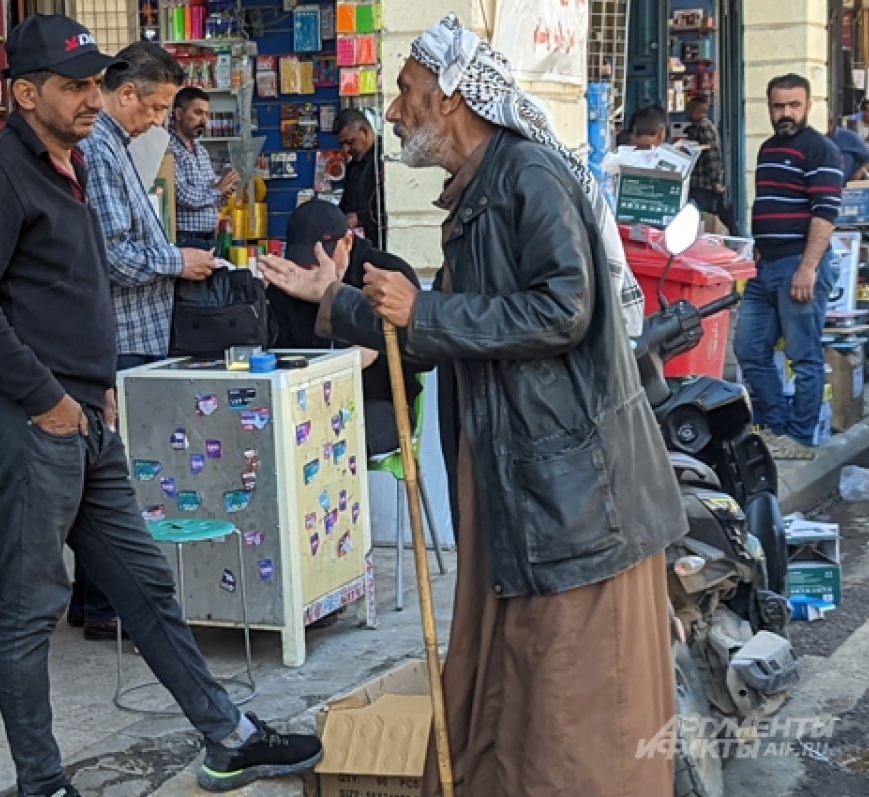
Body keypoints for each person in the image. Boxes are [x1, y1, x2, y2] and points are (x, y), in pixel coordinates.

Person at [260, 15, 685, 796]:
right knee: (509, 688)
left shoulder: (529, 178)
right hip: (522, 485)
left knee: (567, 706)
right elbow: (448, 329)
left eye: (406, 92)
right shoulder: (480, 193)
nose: (393, 111)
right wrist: (341, 301)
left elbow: (565, 308)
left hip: (574, 499)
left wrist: (421, 311)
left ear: (452, 98)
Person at [0, 16, 322, 796]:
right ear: (23, 92)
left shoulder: (69, 164)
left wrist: (97, 387)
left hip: (83, 413)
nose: (90, 98)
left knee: (144, 585)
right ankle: (41, 783)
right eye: (73, 85)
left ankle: (229, 734)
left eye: (92, 83)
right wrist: (47, 399)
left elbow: (67, 292)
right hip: (25, 418)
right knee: (30, 609)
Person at [74, 41, 217, 640]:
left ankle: (93, 598)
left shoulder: (117, 147)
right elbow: (111, 255)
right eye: (156, 108)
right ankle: (105, 604)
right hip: (122, 336)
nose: (159, 120)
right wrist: (175, 260)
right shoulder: (100, 149)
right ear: (125, 93)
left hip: (136, 331)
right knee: (116, 482)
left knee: (106, 476)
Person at [735, 74, 843, 460]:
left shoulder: (820, 149)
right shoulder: (767, 149)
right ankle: (777, 430)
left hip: (799, 267)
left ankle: (798, 440)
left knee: (804, 357)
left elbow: (825, 213)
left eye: (793, 105)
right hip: (766, 268)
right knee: (748, 349)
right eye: (778, 106)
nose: (785, 113)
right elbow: (769, 201)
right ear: (769, 106)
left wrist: (808, 267)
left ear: (807, 105)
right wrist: (761, 248)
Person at [266, 199, 427, 457]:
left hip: (378, 401)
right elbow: (280, 357)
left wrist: (335, 299)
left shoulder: (386, 274)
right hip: (307, 405)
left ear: (348, 242)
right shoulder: (287, 284)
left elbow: (422, 355)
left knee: (337, 443)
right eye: (306, 259)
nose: (314, 268)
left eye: (324, 256)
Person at [169, 86, 239, 249]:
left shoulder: (201, 151)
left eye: (206, 114)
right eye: (198, 113)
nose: (204, 120)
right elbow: (183, 195)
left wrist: (224, 192)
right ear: (179, 114)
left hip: (209, 236)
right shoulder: (169, 149)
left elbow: (212, 196)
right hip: (186, 238)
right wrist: (217, 191)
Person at [684, 95, 736, 234]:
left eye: (688, 109)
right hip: (702, 183)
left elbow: (711, 154)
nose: (685, 112)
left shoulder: (703, 128)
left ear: (695, 111)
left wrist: (715, 181)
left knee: (702, 213)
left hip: (703, 184)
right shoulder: (699, 127)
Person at [333, 108, 385, 245]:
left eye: (350, 142)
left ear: (364, 131)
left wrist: (360, 218)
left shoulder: (384, 159)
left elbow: (392, 205)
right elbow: (346, 204)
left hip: (381, 242)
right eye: (342, 144)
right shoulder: (354, 166)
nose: (346, 149)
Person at [828, 117, 869, 181]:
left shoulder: (850, 136)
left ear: (830, 123)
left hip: (847, 186)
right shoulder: (815, 138)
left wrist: (860, 173)